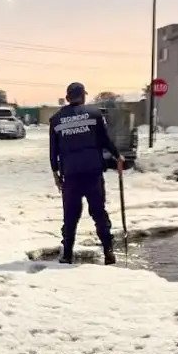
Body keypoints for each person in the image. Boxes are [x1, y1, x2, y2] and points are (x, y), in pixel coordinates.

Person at [49, 82, 123, 265]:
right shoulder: (95, 114)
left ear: (67, 98)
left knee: (70, 215)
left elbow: (53, 151)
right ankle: (108, 252)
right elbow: (105, 140)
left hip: (71, 174)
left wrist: (56, 175)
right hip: (93, 172)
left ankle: (67, 254)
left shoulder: (56, 120)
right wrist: (118, 157)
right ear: (83, 96)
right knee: (98, 212)